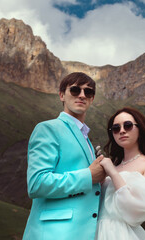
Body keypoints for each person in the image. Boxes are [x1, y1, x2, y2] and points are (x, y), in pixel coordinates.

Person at [23, 72, 106, 240]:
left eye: (88, 92)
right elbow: (37, 183)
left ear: (92, 99)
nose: (82, 95)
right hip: (53, 233)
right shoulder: (47, 129)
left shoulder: (86, 138)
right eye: (75, 90)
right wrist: (88, 176)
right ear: (62, 95)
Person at [95, 107, 145, 240]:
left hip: (121, 234)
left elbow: (135, 211)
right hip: (94, 231)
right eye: (116, 128)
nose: (122, 131)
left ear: (140, 129)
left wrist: (112, 172)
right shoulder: (112, 166)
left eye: (128, 125)